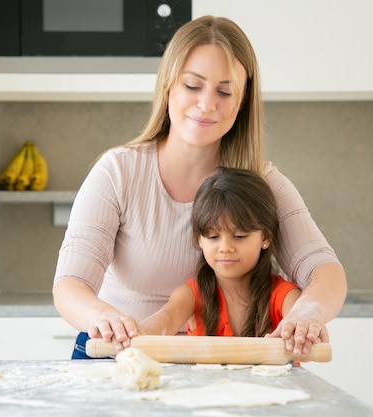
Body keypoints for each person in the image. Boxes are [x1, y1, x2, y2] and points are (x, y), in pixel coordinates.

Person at [52, 15, 347, 359]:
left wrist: (307, 313)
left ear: (243, 100)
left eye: (224, 91)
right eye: (193, 86)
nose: (207, 104)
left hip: (219, 363)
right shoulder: (118, 171)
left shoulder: (261, 182)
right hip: (119, 357)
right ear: (168, 86)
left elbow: (324, 270)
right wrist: (102, 316)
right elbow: (71, 284)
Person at [137, 167, 301, 338]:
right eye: (213, 236)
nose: (225, 247)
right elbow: (166, 319)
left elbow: (299, 320)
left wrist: (296, 330)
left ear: (265, 237)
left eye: (239, 236)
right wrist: (139, 332)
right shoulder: (191, 295)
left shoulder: (285, 296)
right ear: (200, 239)